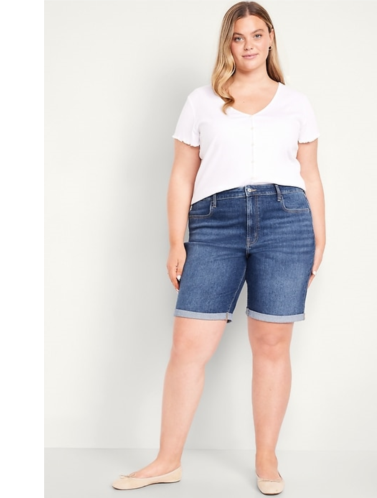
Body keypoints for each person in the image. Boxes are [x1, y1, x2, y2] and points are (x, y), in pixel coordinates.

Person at [112, 1, 326, 495]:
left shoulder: (296, 103)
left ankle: (267, 459)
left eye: (257, 34)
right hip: (213, 224)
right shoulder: (201, 101)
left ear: (270, 38)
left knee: (271, 345)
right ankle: (167, 460)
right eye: (237, 36)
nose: (248, 45)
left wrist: (320, 235)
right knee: (188, 345)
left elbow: (311, 175)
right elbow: (181, 175)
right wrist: (176, 240)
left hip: (287, 222)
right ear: (227, 43)